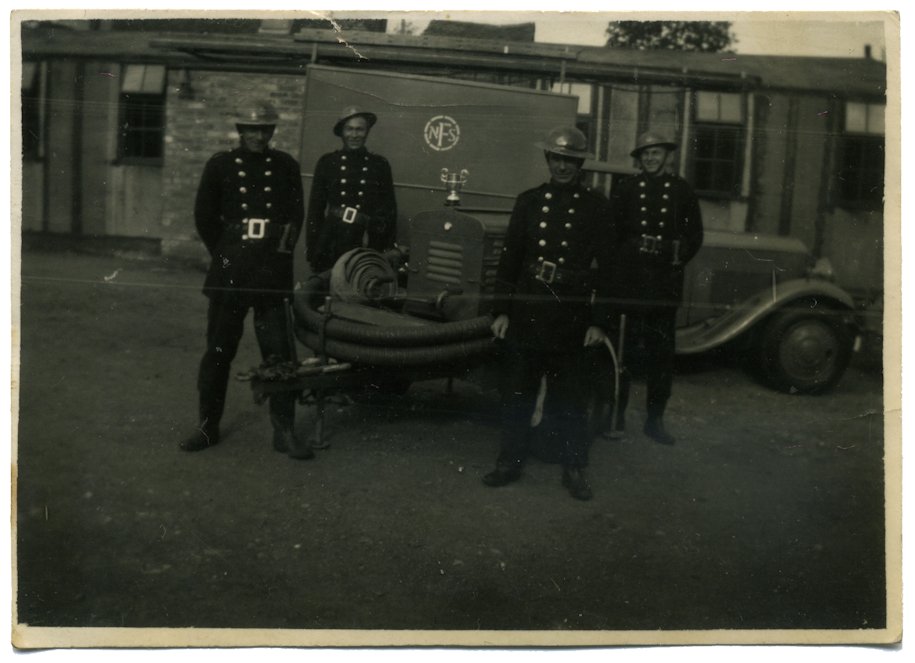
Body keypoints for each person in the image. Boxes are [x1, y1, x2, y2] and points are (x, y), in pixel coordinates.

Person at [481, 126, 616, 501]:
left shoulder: (596, 205)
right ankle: (509, 462)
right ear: (548, 160)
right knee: (517, 392)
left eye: (570, 160)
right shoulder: (529, 201)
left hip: (570, 315)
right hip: (528, 310)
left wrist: (600, 321)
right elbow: (510, 260)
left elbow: (609, 268)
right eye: (556, 159)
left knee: (570, 397)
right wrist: (501, 310)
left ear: (580, 163)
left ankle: (574, 467)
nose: (562, 166)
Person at [179, 99, 313, 460]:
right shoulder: (220, 165)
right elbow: (204, 218)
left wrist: (281, 256)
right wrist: (225, 257)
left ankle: (284, 430)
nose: (258, 136)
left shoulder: (285, 165)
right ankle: (207, 427)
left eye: (264, 129)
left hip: (271, 270)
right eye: (251, 129)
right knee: (218, 351)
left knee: (280, 354)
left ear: (272, 131)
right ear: (240, 130)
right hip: (232, 269)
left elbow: (295, 217)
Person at [608, 130, 704, 445]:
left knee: (661, 355)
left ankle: (655, 420)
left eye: (656, 153)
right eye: (645, 154)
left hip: (663, 283)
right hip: (631, 281)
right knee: (623, 351)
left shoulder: (681, 191)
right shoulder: (626, 189)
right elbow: (612, 232)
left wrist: (676, 257)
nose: (650, 158)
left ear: (667, 156)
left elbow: (695, 235)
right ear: (639, 159)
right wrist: (624, 263)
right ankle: (616, 414)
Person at [305, 106, 397, 274]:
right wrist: (313, 249)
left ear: (367, 132)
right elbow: (315, 211)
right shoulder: (328, 162)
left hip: (364, 239)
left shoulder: (379, 164)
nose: (354, 135)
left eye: (360, 129)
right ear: (342, 132)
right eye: (349, 129)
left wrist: (385, 248)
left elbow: (389, 209)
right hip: (332, 238)